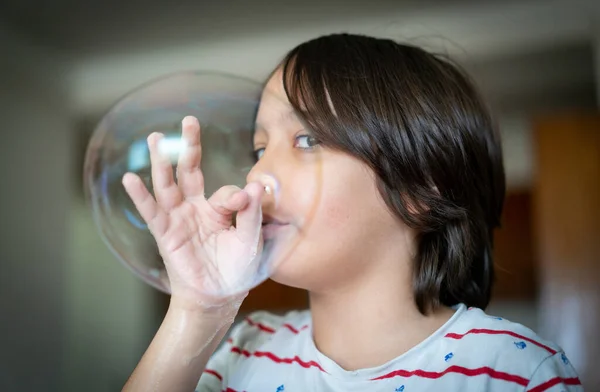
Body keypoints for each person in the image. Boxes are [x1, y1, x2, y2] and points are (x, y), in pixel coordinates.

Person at [121, 33, 583, 391]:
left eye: (307, 140)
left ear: (419, 186)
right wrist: (199, 309)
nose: (257, 174)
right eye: (259, 148)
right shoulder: (247, 350)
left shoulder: (513, 370)